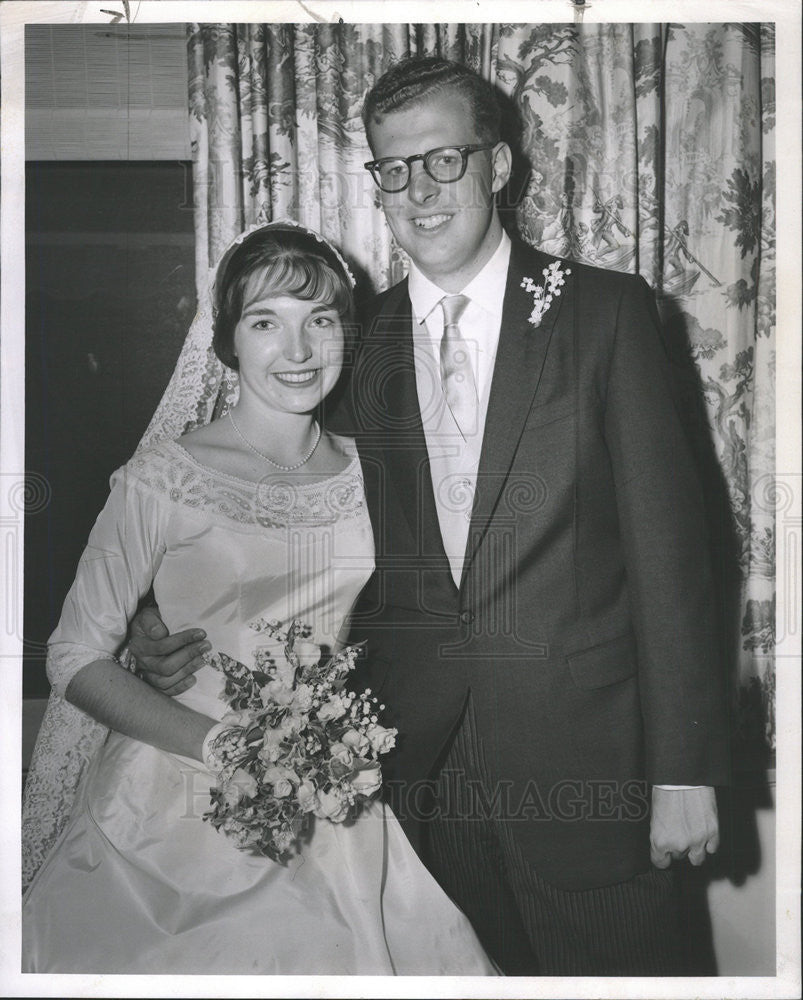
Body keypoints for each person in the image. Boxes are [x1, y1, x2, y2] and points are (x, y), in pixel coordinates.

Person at [130, 57, 730, 976]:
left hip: (587, 773)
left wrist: (684, 767)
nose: (417, 190)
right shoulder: (347, 339)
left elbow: (675, 556)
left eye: (442, 161)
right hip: (409, 783)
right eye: (393, 168)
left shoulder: (607, 314)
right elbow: (266, 502)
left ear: (496, 166)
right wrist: (154, 610)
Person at [20, 221, 496, 975]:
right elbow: (74, 653)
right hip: (171, 803)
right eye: (265, 322)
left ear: (349, 334)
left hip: (336, 800)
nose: (298, 350)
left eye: (321, 320)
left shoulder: (376, 470)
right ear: (227, 342)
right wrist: (220, 744)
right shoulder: (161, 478)